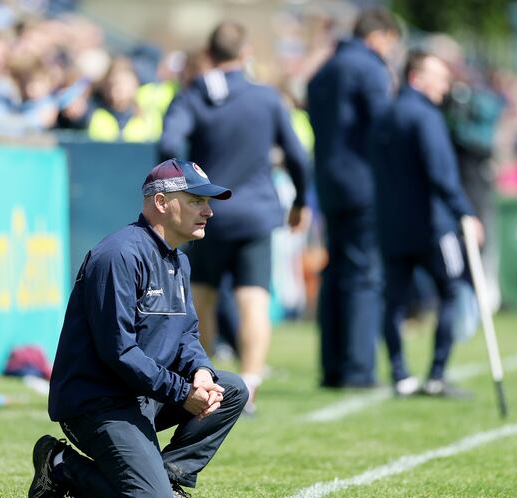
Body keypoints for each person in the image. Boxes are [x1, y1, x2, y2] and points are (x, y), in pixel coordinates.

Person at [30, 159, 248, 498]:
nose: (208, 211)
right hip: (97, 403)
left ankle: (166, 477)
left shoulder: (179, 261)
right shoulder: (118, 255)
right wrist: (182, 392)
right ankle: (59, 465)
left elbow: (187, 333)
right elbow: (119, 353)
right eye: (195, 201)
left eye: (207, 203)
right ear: (161, 203)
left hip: (141, 395)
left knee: (231, 389)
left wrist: (201, 373)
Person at [158, 21, 308, 413]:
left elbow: (168, 142)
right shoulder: (268, 98)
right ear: (246, 56)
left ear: (208, 55)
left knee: (202, 298)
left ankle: (208, 383)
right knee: (253, 299)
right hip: (257, 212)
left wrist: (182, 188)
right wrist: (300, 202)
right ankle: (251, 387)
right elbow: (297, 155)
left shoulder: (195, 94)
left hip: (207, 213)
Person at [368, 51, 485, 397]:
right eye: (439, 77)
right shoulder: (426, 116)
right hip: (434, 226)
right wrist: (465, 212)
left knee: (395, 301)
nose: (446, 86)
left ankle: (401, 374)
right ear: (417, 78)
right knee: (449, 291)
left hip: (392, 225)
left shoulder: (384, 115)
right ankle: (436, 375)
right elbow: (441, 174)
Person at [306, 8, 400, 389]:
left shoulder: (324, 71)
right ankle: (359, 369)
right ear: (379, 36)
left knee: (336, 271)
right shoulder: (369, 68)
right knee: (364, 273)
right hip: (363, 183)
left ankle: (332, 367)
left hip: (329, 183)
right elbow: (384, 126)